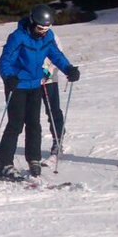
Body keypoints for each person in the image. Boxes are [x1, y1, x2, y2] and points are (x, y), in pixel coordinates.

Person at [0, 4, 81, 180]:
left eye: (46, 28)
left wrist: (68, 69)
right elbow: (5, 60)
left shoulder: (47, 37)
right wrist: (8, 76)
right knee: (15, 125)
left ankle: (33, 159)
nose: (42, 31)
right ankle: (3, 165)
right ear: (32, 22)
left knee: (34, 124)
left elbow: (56, 55)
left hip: (35, 84)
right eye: (40, 28)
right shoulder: (18, 37)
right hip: (17, 85)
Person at [40, 29, 69, 161]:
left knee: (53, 110)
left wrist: (48, 71)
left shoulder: (52, 36)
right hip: (31, 80)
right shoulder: (26, 34)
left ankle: (57, 140)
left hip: (49, 79)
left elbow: (57, 56)